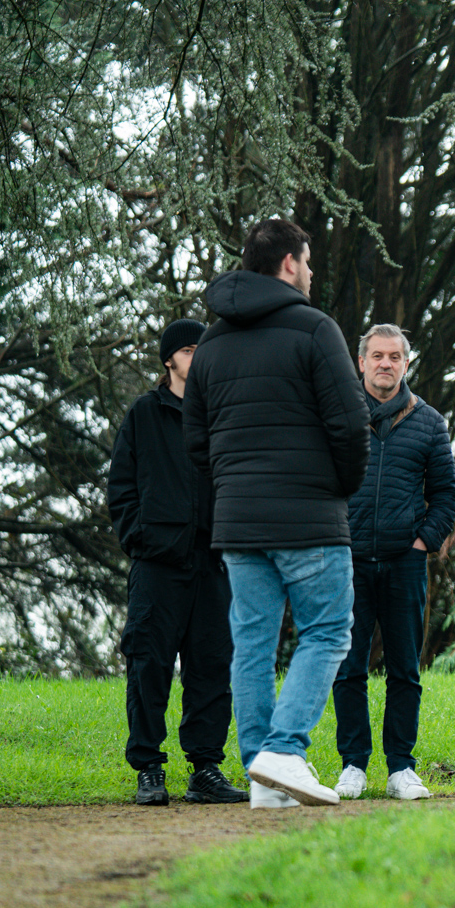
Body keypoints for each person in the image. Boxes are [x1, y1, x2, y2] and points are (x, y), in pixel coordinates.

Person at [183, 218, 370, 809]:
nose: (311, 272)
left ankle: (263, 780)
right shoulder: (314, 328)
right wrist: (340, 488)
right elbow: (350, 424)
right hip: (308, 516)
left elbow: (195, 440)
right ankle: (284, 750)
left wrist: (231, 488)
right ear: (289, 263)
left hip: (238, 523)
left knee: (253, 646)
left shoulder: (211, 344)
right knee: (328, 630)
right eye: (307, 262)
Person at [108, 318, 247, 806]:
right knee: (149, 664)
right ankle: (148, 768)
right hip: (158, 565)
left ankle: (205, 770)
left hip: (214, 564)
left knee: (212, 666)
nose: (199, 356)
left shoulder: (223, 414)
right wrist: (141, 539)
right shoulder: (145, 413)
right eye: (189, 349)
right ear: (169, 359)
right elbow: (121, 486)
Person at [331, 323, 455, 801]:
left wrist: (423, 542)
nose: (385, 363)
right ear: (361, 362)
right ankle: (353, 765)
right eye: (377, 356)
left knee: (405, 668)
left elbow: (446, 493)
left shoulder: (429, 421)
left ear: (406, 364)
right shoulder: (338, 417)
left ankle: (401, 768)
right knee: (348, 668)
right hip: (347, 560)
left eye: (394, 357)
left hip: (405, 562)